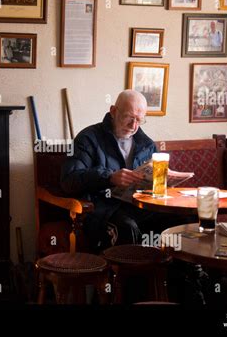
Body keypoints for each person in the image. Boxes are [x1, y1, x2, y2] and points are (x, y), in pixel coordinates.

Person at [61, 90, 189, 253]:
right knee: (127, 227)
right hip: (102, 210)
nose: (133, 126)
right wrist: (109, 178)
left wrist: (162, 180)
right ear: (113, 111)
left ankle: (178, 276)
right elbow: (68, 180)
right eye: (129, 117)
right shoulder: (88, 139)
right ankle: (129, 279)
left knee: (185, 220)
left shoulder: (146, 144)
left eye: (139, 120)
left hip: (138, 206)